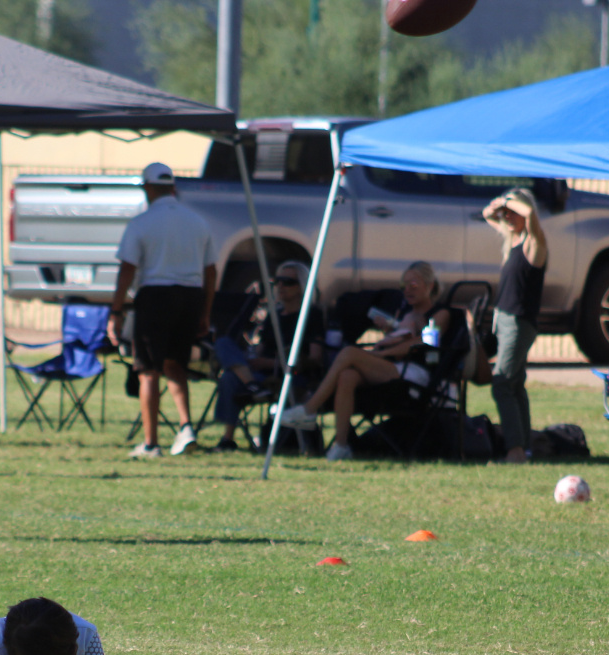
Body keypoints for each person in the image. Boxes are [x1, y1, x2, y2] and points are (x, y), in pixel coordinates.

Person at [277, 261, 451, 461]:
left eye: (413, 284)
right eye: (404, 285)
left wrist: (384, 353)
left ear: (429, 285)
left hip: (416, 374)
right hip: (394, 367)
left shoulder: (440, 313)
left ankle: (310, 409)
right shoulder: (405, 313)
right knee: (347, 375)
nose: (407, 290)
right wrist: (391, 331)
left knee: (350, 352)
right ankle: (341, 445)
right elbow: (402, 340)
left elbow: (424, 342)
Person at [107, 162, 218, 458]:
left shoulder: (141, 223)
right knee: (175, 365)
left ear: (147, 188)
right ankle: (185, 427)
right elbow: (211, 271)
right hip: (191, 297)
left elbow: (127, 269)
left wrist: (116, 311)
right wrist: (205, 311)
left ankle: (151, 443)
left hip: (155, 297)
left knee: (148, 370)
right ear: (173, 188)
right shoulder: (198, 221)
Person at [213, 262, 325, 452]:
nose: (280, 286)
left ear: (302, 286)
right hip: (260, 374)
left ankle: (250, 384)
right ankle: (228, 438)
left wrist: (270, 362)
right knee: (224, 344)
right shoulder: (274, 315)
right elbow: (260, 349)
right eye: (278, 281)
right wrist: (250, 358)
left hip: (289, 374)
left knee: (231, 377)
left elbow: (315, 358)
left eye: (288, 282)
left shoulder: (312, 315)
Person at [483, 188, 546, 463]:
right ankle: (524, 448)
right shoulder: (513, 242)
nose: (507, 217)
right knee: (516, 385)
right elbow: (487, 214)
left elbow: (529, 212)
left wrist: (510, 202)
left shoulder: (535, 245)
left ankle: (515, 450)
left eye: (512, 213)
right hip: (504, 320)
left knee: (501, 383)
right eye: (505, 214)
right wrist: (500, 205)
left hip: (518, 323)